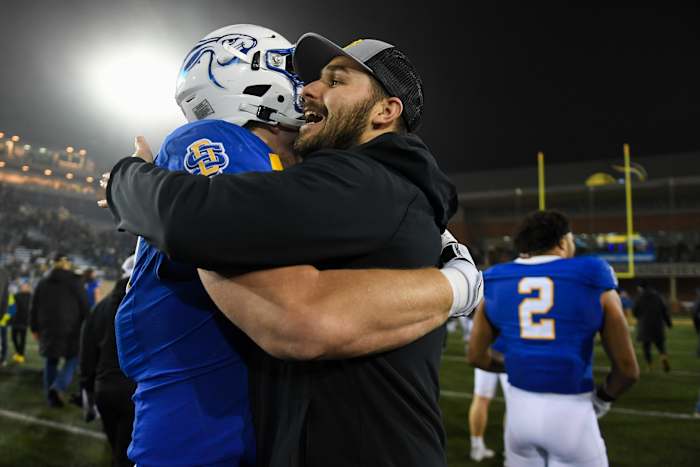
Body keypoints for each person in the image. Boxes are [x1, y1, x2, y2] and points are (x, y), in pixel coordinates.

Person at [102, 26, 480, 467]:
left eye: (335, 81)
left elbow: (197, 222)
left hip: (237, 426)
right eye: (302, 75)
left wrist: (128, 177)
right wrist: (455, 284)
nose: (307, 89)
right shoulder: (367, 183)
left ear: (385, 111)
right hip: (224, 419)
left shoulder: (360, 180)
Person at [468, 210, 639, 467]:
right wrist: (602, 400)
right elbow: (627, 370)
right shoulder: (592, 272)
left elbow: (476, 356)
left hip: (519, 415)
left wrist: (518, 365)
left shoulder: (495, 278)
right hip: (572, 411)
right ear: (562, 241)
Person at [80, 256, 136, 467]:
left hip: (104, 389)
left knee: (116, 448)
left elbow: (87, 353)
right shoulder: (149, 305)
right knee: (125, 456)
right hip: (136, 393)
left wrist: (87, 387)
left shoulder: (101, 307)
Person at [30, 253, 89, 407]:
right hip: (71, 327)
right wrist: (88, 323)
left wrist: (34, 327)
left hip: (47, 327)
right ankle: (58, 386)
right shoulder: (75, 281)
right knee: (73, 358)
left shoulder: (42, 282)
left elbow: (34, 306)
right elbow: (84, 305)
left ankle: (51, 398)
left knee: (51, 360)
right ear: (67, 264)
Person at [468, 344, 508, 462]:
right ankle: (511, 453)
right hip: (509, 349)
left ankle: (476, 447)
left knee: (481, 398)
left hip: (487, 348)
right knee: (512, 405)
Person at [633, 280, 672, 372]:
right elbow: (664, 310)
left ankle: (649, 366)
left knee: (646, 347)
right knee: (660, 345)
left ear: (640, 287)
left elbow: (635, 312)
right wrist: (669, 323)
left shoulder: (639, 297)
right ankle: (663, 358)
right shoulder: (658, 296)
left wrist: (640, 317)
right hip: (657, 325)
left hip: (645, 325)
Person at [10, 282, 31, 364]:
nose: (23, 287)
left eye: (25, 286)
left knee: (22, 339)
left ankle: (21, 355)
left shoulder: (31, 296)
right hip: (16, 320)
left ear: (28, 287)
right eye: (22, 286)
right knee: (13, 337)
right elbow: (11, 306)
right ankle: (18, 352)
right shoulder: (16, 295)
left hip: (25, 321)